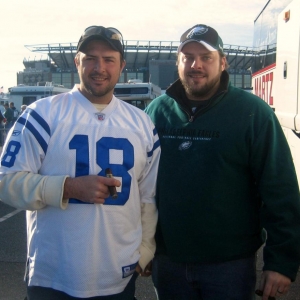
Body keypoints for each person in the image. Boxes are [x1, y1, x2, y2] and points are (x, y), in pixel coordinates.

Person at [0, 25, 160, 300]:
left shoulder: (141, 123)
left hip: (118, 278)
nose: (99, 68)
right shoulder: (43, 114)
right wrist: (68, 188)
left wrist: (144, 251)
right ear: (77, 62)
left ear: (122, 65)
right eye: (90, 58)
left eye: (109, 59)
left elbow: (148, 196)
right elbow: (6, 181)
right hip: (54, 278)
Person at [145, 24, 300, 300]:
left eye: (206, 58)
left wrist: (280, 262)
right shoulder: (156, 112)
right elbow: (139, 187)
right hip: (168, 262)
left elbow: (281, 191)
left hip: (229, 267)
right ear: (178, 62)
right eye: (188, 57)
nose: (196, 65)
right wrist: (140, 246)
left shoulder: (253, 114)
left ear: (223, 63)